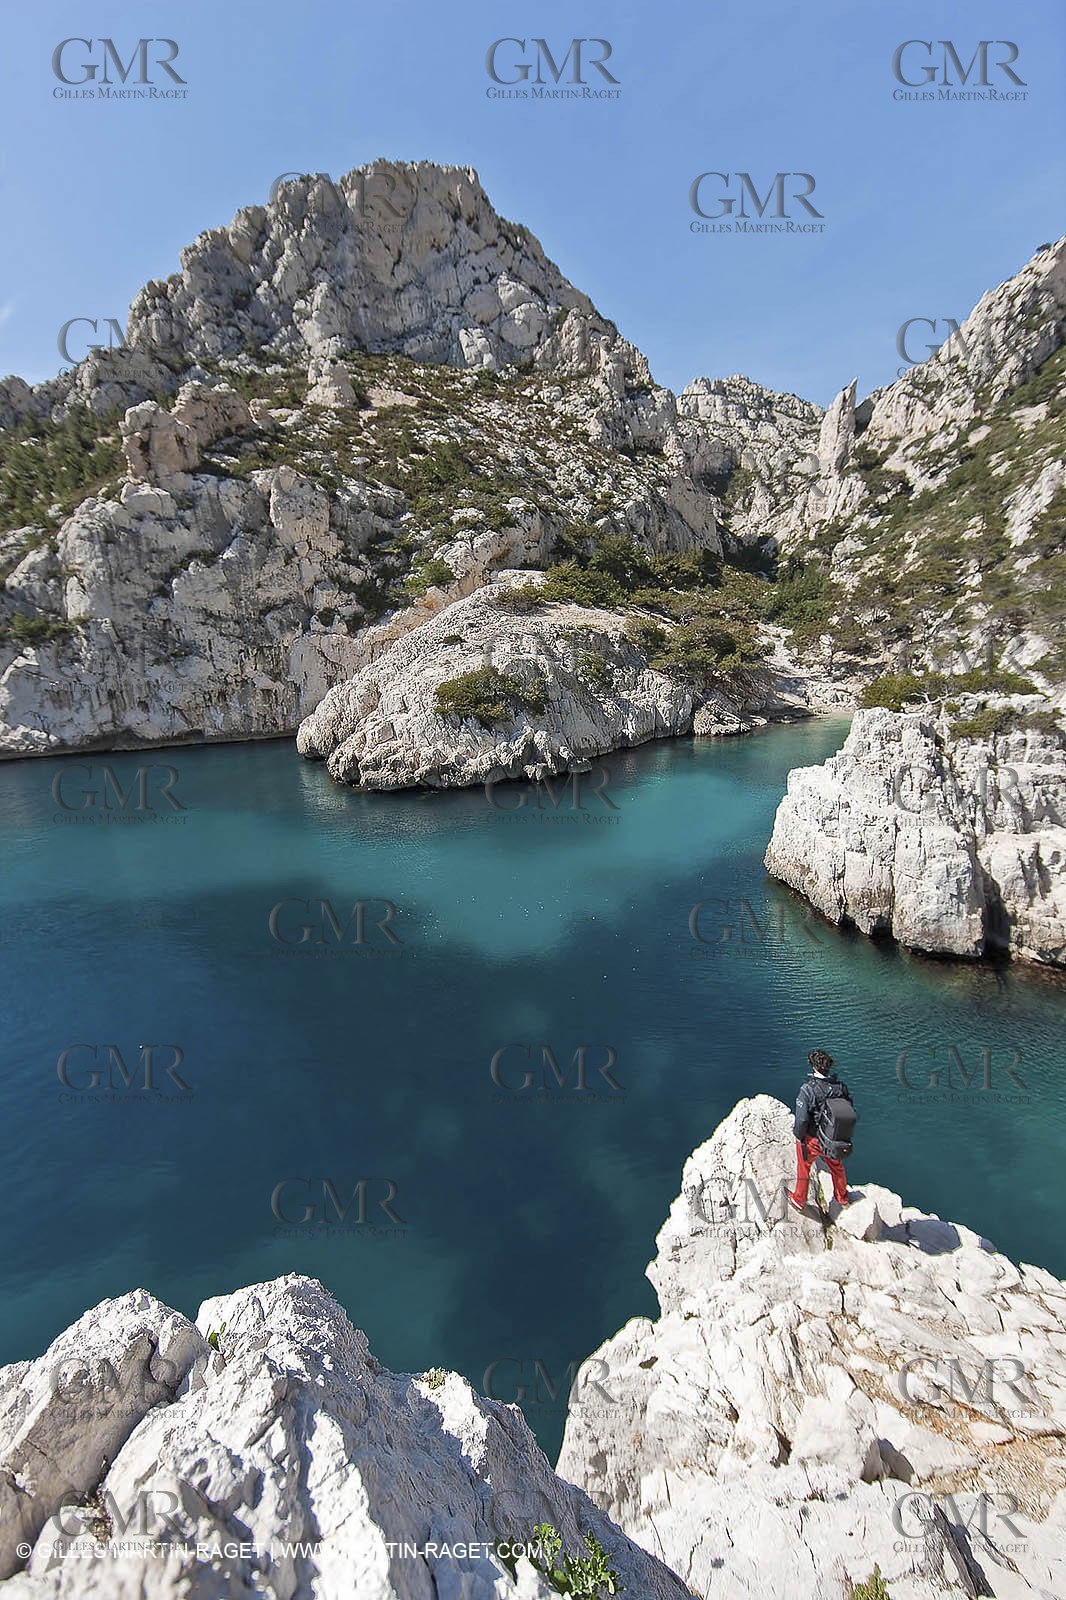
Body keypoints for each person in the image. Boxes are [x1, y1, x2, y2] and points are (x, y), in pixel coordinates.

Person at [788, 1049, 852, 1212]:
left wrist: (798, 1137)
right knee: (837, 1166)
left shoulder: (808, 1090)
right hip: (833, 1138)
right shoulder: (840, 1088)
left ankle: (799, 1200)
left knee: (804, 1166)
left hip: (813, 1139)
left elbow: (802, 1119)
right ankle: (842, 1197)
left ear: (812, 1066)